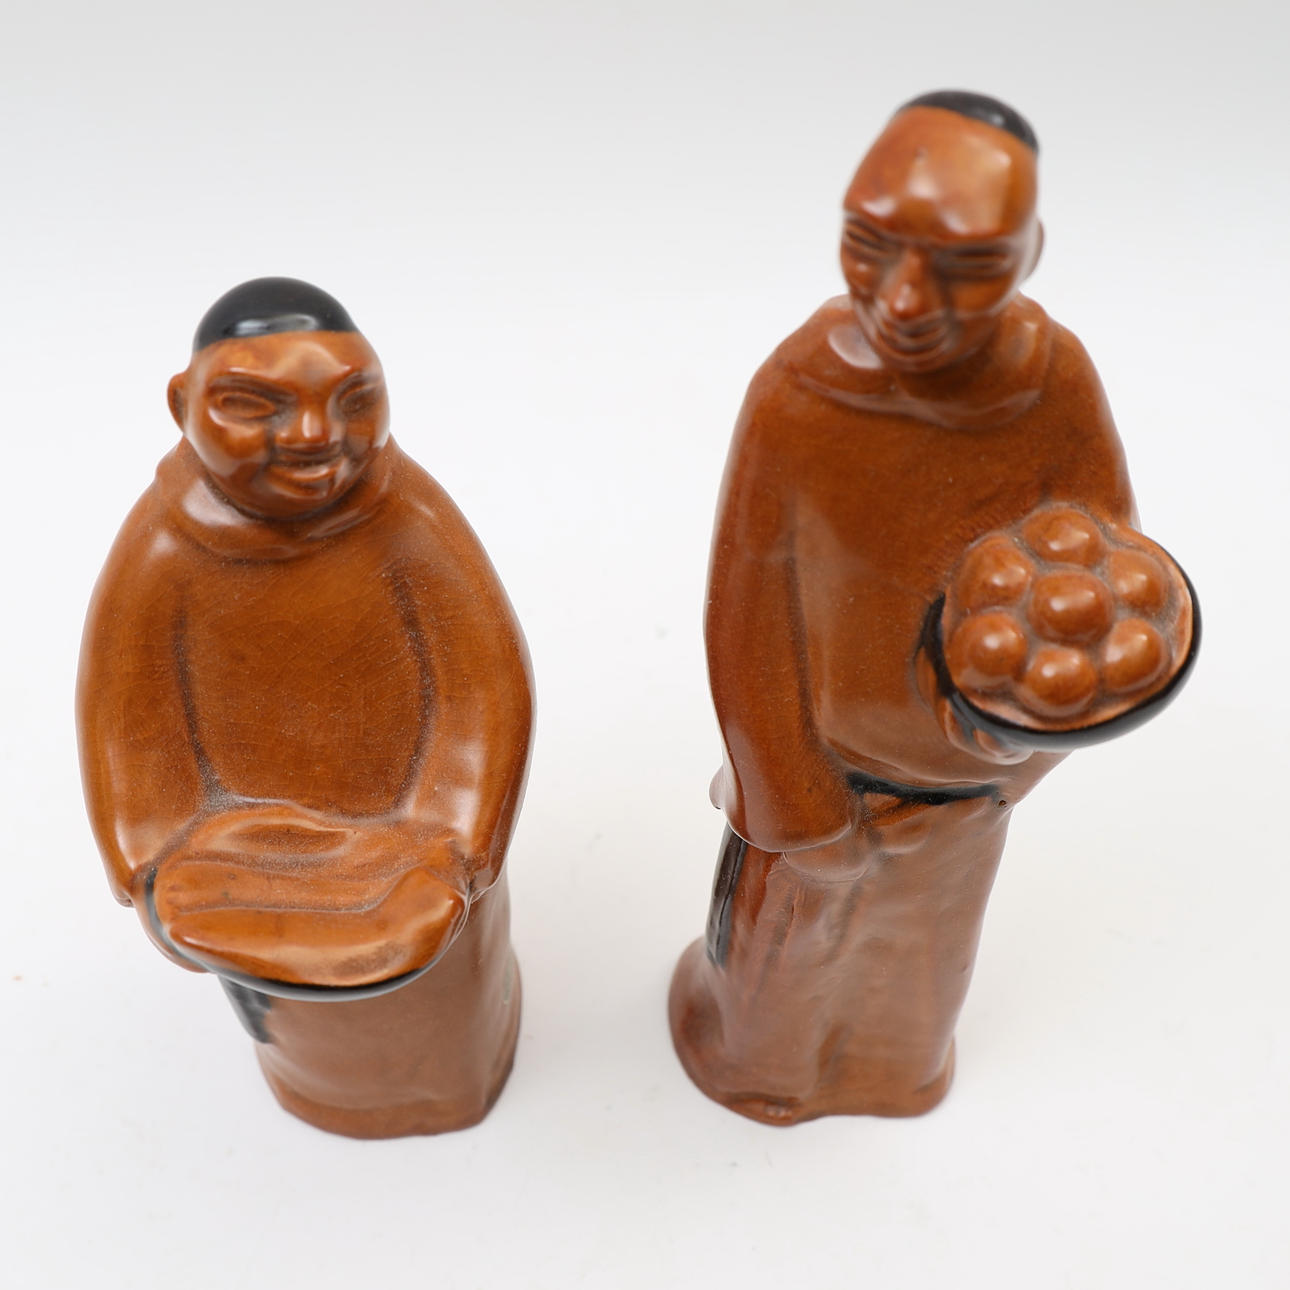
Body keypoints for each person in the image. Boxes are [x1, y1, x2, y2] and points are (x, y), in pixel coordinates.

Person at [669, 93, 1147, 1124]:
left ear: (1031, 255)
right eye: (868, 245)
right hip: (817, 787)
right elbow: (748, 619)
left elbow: (1103, 588)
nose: (904, 299)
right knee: (773, 982)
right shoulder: (800, 395)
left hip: (968, 784)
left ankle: (894, 1074)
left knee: (918, 976)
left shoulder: (1053, 383)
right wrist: (797, 806)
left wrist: (1016, 762)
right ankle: (756, 1071)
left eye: (967, 265)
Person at [78, 278, 534, 1137]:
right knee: (305, 1025)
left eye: (354, 402)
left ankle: (454, 1089)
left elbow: (480, 691)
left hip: (409, 841)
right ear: (182, 405)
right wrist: (152, 860)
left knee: (442, 1006)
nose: (316, 436)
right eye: (257, 405)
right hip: (234, 848)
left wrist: (458, 843)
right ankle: (324, 1092)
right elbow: (127, 728)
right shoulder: (162, 548)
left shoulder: (408, 521)